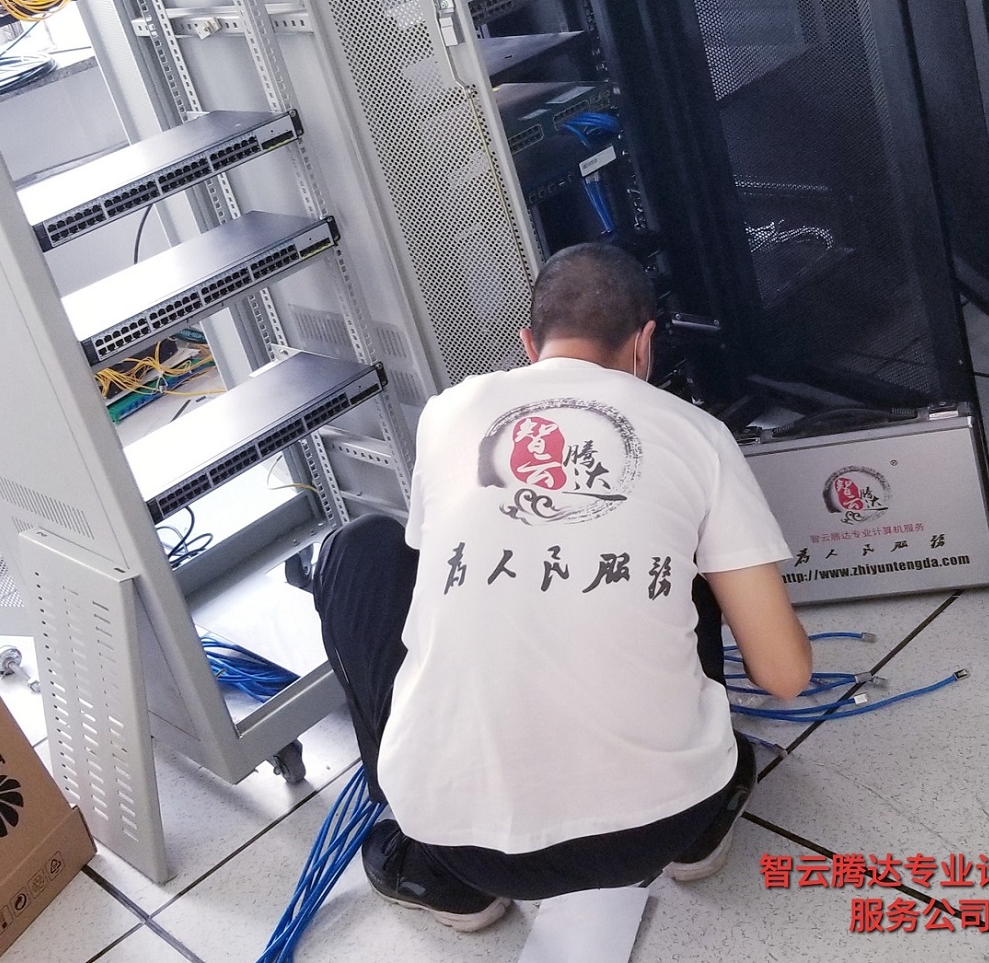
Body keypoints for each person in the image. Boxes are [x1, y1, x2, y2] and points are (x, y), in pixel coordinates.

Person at [312, 242, 812, 931]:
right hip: (661, 822)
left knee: (359, 548)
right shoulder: (698, 435)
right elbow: (785, 675)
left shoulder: (448, 411)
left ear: (529, 344)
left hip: (462, 841)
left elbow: (436, 579)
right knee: (684, 552)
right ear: (645, 343)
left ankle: (441, 876)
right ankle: (700, 835)